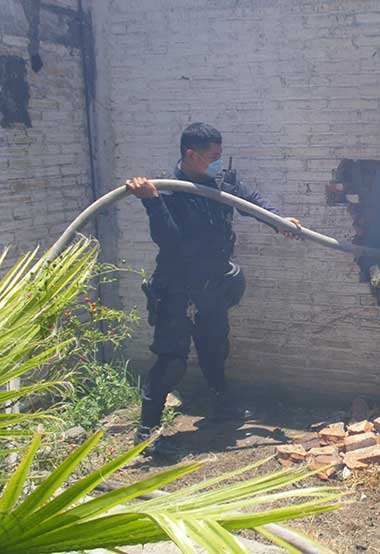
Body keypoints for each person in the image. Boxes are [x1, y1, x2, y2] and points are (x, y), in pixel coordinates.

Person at [125, 122, 300, 453]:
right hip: (177, 288)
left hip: (213, 285)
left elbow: (251, 201)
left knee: (214, 350)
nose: (218, 162)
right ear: (191, 155)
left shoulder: (222, 182)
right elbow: (169, 240)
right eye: (213, 156)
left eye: (220, 155)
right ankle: (146, 433)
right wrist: (151, 202)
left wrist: (279, 221)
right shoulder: (169, 190)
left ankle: (223, 408)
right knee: (171, 360)